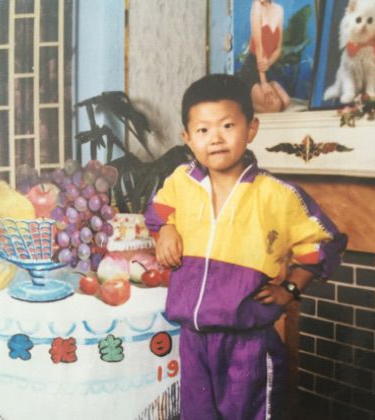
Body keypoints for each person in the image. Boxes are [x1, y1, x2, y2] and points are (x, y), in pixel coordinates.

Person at [144, 74, 347, 419]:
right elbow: (157, 211)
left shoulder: (277, 195)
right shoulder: (180, 182)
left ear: (251, 129)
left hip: (247, 345)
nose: (216, 138)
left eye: (227, 125)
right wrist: (166, 229)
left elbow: (325, 242)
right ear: (187, 138)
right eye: (203, 130)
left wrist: (290, 289)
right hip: (193, 341)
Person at [238, 0, 291, 113]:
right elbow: (259, 48)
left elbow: (278, 49)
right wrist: (263, 82)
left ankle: (256, 95)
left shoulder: (279, 9)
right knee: (274, 107)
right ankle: (241, 101)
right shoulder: (256, 6)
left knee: (286, 101)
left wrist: (268, 63)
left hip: (265, 69)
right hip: (251, 70)